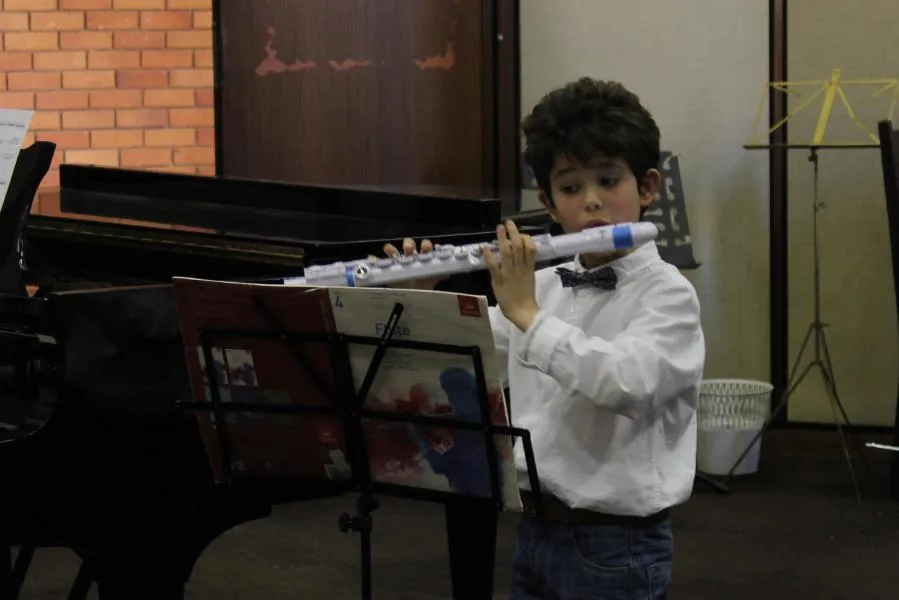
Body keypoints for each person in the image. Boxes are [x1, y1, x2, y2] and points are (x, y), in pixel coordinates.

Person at [383, 77, 705, 599]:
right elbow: (466, 350)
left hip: (616, 546)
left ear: (647, 187)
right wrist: (418, 296)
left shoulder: (667, 296)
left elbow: (625, 382)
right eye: (573, 188)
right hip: (535, 530)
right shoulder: (544, 287)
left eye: (609, 181)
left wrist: (529, 314)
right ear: (551, 205)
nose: (593, 202)